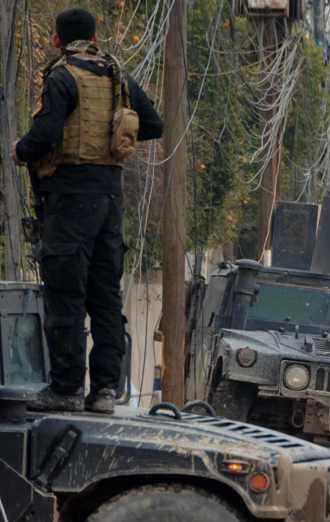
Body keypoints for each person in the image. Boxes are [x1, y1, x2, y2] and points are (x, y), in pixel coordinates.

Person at [12, 8, 163, 413]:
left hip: (70, 198)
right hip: (110, 199)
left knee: (65, 295)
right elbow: (152, 125)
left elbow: (44, 136)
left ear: (57, 41)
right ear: (95, 36)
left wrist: (19, 151)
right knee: (105, 299)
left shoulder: (62, 77)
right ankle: (105, 391)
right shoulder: (117, 77)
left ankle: (65, 389)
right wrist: (114, 131)